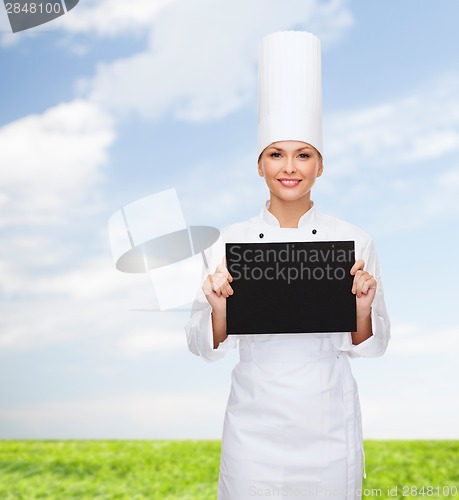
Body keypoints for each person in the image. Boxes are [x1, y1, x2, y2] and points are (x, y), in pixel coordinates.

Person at [185, 31, 390, 500]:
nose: (289, 167)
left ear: (321, 164)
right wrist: (218, 306)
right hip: (253, 425)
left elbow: (371, 346)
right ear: (259, 165)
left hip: (328, 423)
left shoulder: (356, 239)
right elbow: (206, 347)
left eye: (303, 155)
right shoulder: (228, 241)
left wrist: (362, 305)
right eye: (276, 154)